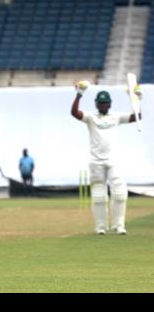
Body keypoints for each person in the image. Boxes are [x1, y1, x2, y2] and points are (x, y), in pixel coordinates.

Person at [71, 80, 142, 235]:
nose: (103, 105)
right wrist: (79, 95)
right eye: (100, 103)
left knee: (120, 193)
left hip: (113, 161)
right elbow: (74, 113)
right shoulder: (91, 117)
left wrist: (136, 99)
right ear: (97, 104)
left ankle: (119, 225)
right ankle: (100, 227)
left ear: (109, 104)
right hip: (96, 161)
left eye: (105, 103)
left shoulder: (116, 117)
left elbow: (137, 117)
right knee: (98, 195)